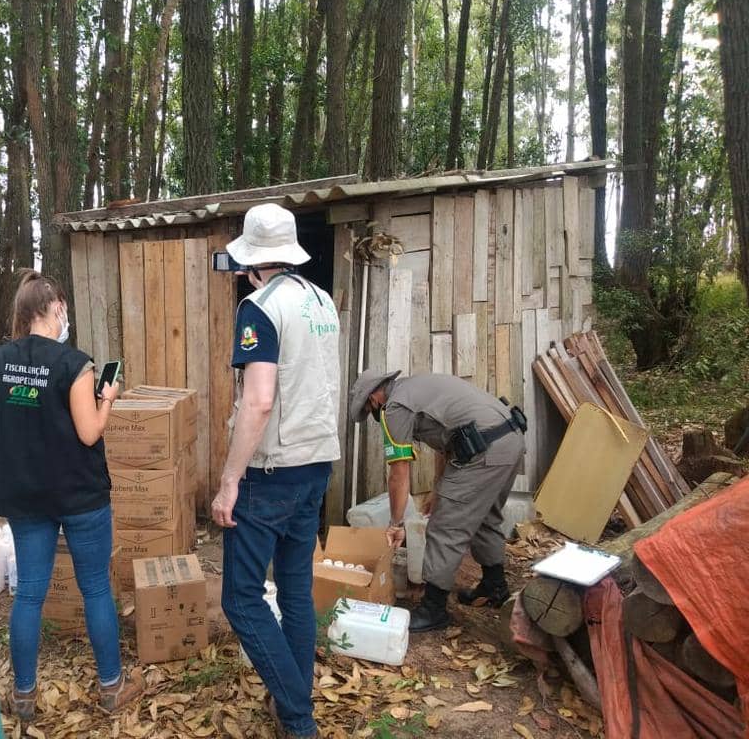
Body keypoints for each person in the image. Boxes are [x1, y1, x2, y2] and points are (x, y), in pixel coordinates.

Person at [0, 270, 143, 721]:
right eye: (64, 309)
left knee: (30, 593)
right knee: (94, 586)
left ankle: (23, 695)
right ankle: (112, 686)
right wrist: (107, 396)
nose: (66, 316)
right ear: (54, 308)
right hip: (80, 495)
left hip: (26, 496)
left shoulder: (0, 361)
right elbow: (90, 431)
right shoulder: (75, 364)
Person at [211, 203, 341, 739]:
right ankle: (296, 700)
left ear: (252, 262)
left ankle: (298, 715)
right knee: (293, 587)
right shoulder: (322, 301)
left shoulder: (259, 308)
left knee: (241, 598)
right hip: (317, 461)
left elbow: (260, 401)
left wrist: (229, 479)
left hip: (273, 470)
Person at [348, 369, 526, 633]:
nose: (373, 413)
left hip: (484, 449)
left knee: (444, 528)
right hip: (509, 438)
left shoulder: (395, 407)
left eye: (369, 409)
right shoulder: (419, 386)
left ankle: (433, 609)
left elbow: (398, 473)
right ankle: (494, 586)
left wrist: (396, 523)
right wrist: (437, 488)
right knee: (485, 515)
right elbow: (448, 444)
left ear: (374, 397)